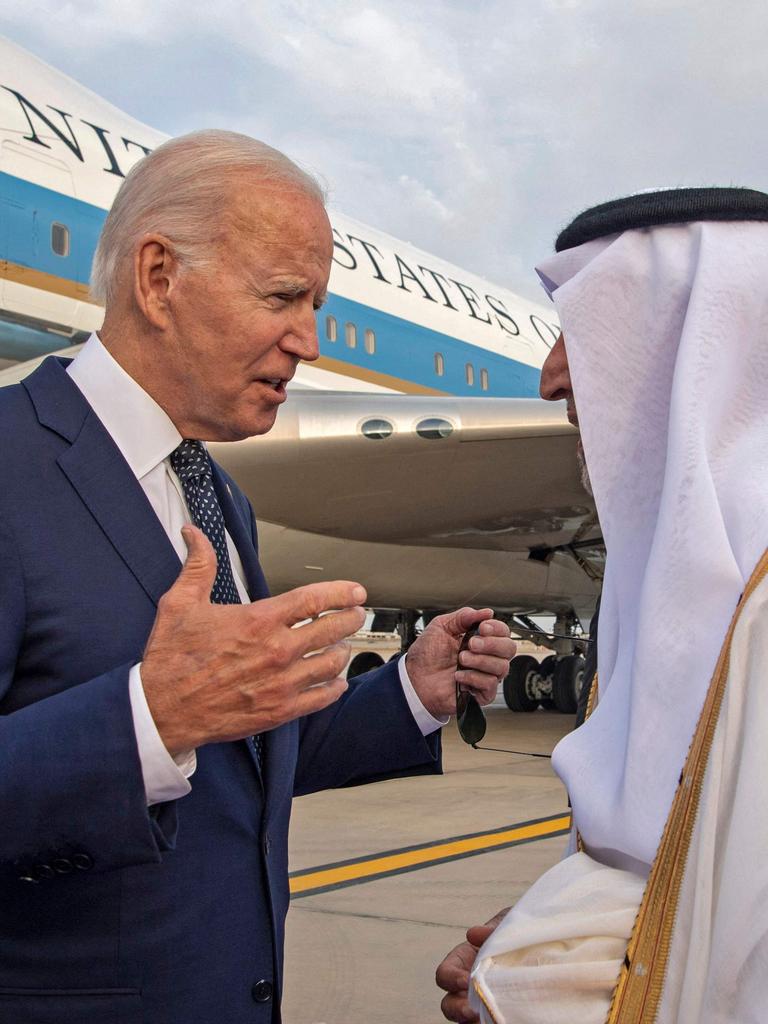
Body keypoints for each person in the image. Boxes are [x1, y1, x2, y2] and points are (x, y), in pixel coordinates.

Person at [0, 129, 516, 1024]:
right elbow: (177, 721)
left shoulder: (215, 493)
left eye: (316, 303)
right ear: (158, 278)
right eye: (283, 297)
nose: (310, 341)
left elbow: (238, 758)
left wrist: (410, 694)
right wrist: (151, 718)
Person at [436, 186, 768, 1023]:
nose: (552, 378)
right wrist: (545, 944)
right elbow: (673, 876)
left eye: (588, 332)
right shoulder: (673, 571)